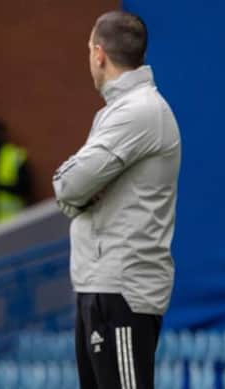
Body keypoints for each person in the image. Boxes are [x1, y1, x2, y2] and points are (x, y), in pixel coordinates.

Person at [52, 11, 181, 389]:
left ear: (98, 54)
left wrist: (75, 192)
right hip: (101, 285)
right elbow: (78, 189)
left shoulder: (138, 112)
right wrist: (78, 193)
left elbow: (69, 185)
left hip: (120, 289)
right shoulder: (120, 111)